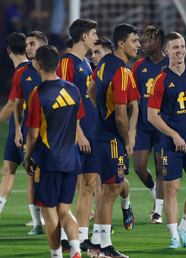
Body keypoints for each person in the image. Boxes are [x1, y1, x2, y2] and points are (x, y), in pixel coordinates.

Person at [148, 32, 186, 249]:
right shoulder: (161, 80)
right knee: (171, 189)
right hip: (170, 145)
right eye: (175, 47)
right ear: (166, 52)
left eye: (182, 46)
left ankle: (184, 227)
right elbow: (152, 115)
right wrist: (173, 135)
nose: (180, 51)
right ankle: (174, 236)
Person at [24, 45, 83, 258]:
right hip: (72, 160)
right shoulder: (73, 90)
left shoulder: (38, 94)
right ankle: (76, 249)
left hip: (49, 161)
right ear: (57, 63)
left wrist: (28, 155)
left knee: (49, 210)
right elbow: (76, 123)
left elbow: (32, 133)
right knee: (65, 210)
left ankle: (56, 254)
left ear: (38, 64)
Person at [88, 23, 140, 258]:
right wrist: (127, 139)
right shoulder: (122, 71)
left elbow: (90, 91)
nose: (138, 45)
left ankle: (97, 242)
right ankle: (107, 248)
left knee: (105, 189)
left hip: (99, 133)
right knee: (112, 189)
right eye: (134, 41)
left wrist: (99, 114)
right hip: (111, 138)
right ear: (121, 43)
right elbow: (121, 113)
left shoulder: (103, 64)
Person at [56, 18, 98, 250]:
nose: (95, 37)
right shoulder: (67, 63)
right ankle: (64, 237)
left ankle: (81, 237)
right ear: (83, 36)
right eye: (93, 33)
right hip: (75, 134)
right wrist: (78, 133)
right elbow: (64, 101)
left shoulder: (86, 63)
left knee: (89, 185)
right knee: (69, 187)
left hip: (92, 132)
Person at [132, 25, 168, 224]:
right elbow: (134, 98)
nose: (142, 44)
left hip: (163, 125)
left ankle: (159, 211)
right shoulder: (138, 66)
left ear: (158, 43)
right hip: (143, 125)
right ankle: (154, 191)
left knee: (162, 168)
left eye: (146, 40)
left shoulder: (170, 63)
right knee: (139, 167)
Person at [13, 31, 48, 233]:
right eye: (26, 44)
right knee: (31, 174)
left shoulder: (54, 68)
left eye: (32, 43)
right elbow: (17, 104)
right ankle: (37, 223)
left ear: (43, 45)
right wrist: (17, 130)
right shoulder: (21, 73)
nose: (28, 47)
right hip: (30, 130)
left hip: (53, 133)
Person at [0, 32, 29, 217]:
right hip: (16, 128)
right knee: (7, 169)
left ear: (8, 50)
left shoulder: (25, 71)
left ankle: (43, 220)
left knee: (34, 175)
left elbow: (11, 104)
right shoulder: (28, 70)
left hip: (27, 129)